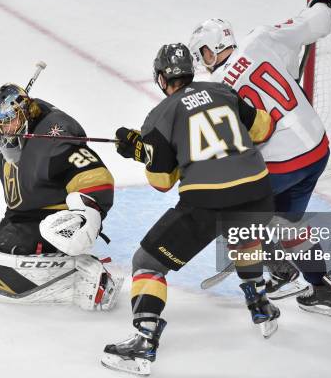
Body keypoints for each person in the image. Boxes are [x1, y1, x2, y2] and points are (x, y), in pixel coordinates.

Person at [101, 43, 279, 376]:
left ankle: (143, 342)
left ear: (160, 78)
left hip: (208, 201)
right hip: (259, 191)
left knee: (147, 263)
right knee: (242, 235)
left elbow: (162, 180)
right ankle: (260, 305)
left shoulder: (159, 116)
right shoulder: (222, 90)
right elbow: (262, 129)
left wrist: (141, 151)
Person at [189, 0, 331, 318]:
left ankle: (279, 269)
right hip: (317, 149)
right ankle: (322, 288)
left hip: (283, 161)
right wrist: (322, 5)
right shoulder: (261, 38)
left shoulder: (217, 90)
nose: (203, 62)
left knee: (232, 213)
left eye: (202, 53)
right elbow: (311, 23)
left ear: (212, 47)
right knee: (289, 224)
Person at [0, 83, 120, 309]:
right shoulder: (1, 125)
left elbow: (97, 176)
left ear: (26, 114)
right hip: (20, 212)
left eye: (11, 122)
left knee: (7, 246)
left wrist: (88, 214)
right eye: (1, 123)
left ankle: (81, 272)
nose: (5, 128)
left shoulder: (54, 138)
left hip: (49, 215)